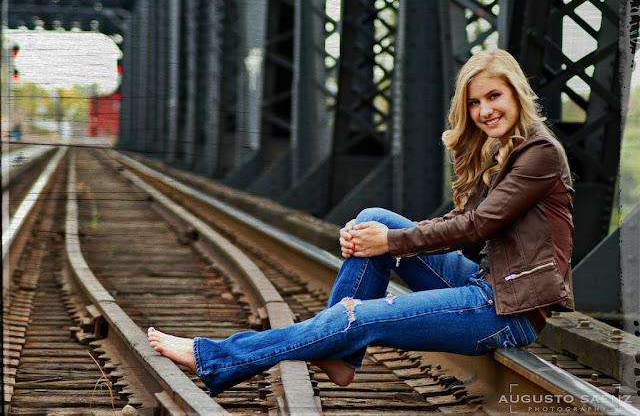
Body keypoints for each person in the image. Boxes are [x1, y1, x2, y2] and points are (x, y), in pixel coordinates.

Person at [148, 48, 575, 396]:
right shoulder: (503, 152)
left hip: (507, 311)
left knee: (355, 317)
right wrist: (383, 235)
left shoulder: (540, 154)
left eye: (493, 97)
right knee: (370, 220)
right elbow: (464, 222)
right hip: (489, 284)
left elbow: (477, 226)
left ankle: (217, 358)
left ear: (516, 93)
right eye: (474, 103)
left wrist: (391, 241)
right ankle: (340, 356)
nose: (484, 111)